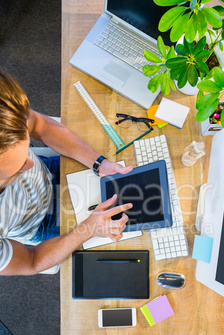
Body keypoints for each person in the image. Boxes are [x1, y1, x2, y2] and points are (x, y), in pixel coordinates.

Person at [0, 67, 133, 276]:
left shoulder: (4, 112)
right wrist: (87, 230)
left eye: (27, 149)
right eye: (16, 169)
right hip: (41, 223)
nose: (30, 165)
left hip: (51, 172)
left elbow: (41, 126)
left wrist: (98, 163)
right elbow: (31, 261)